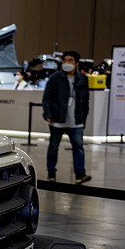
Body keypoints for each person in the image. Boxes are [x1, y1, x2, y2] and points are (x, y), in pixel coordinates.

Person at [42, 50, 91, 183]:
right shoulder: (55, 78)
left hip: (76, 120)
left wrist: (84, 116)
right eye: (64, 60)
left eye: (70, 60)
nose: (66, 63)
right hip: (57, 119)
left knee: (78, 147)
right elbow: (47, 98)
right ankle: (51, 173)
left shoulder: (82, 79)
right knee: (53, 147)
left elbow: (85, 100)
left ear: (76, 63)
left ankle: (80, 174)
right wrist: (47, 114)